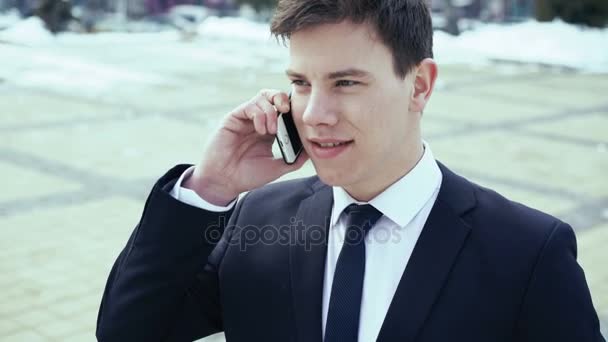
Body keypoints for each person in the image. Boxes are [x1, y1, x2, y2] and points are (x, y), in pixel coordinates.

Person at [96, 0, 605, 341]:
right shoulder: (257, 219)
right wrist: (211, 187)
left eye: (345, 83)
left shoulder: (527, 252)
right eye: (300, 82)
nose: (314, 114)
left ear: (420, 85)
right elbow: (128, 330)